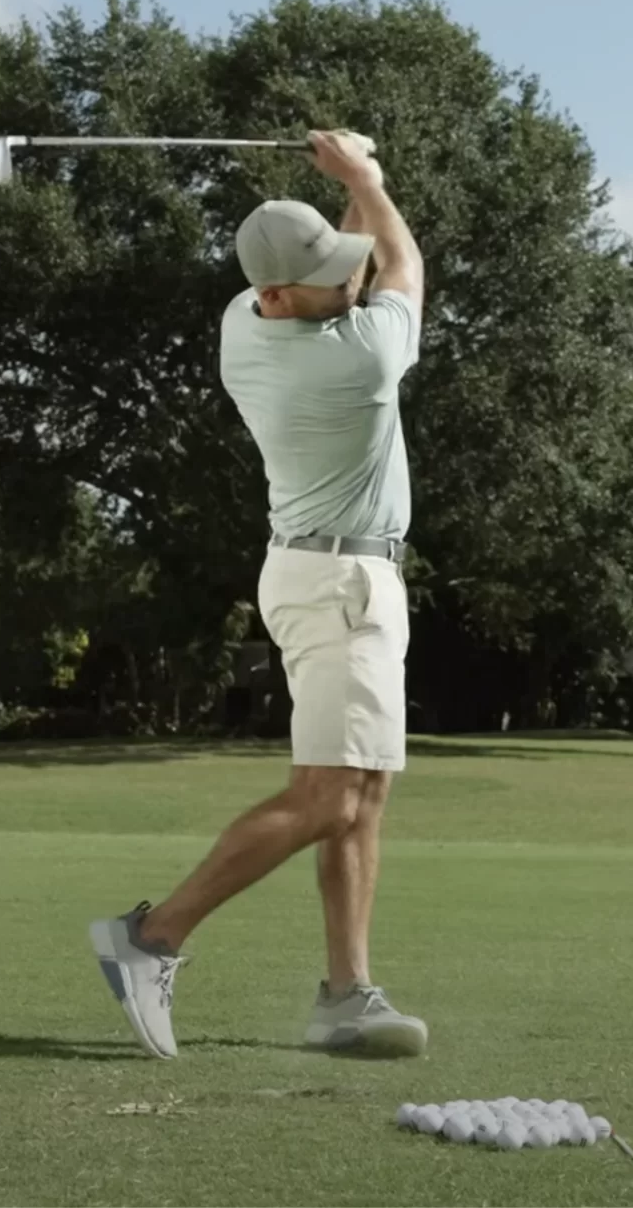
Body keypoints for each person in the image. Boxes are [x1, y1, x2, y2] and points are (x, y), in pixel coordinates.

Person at [89, 129, 429, 1060]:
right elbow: (400, 267)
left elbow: (356, 266)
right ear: (283, 294)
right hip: (340, 583)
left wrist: (354, 194)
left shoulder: (252, 319)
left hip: (333, 573)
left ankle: (346, 996)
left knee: (363, 794)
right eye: (324, 273)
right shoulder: (352, 361)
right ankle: (151, 937)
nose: (346, 279)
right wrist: (365, 178)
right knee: (328, 795)